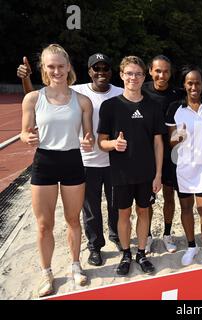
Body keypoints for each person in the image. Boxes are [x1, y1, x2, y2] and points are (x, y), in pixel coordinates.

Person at [17, 53, 124, 267]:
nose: (101, 72)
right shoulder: (80, 91)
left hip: (106, 160)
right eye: (96, 68)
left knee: (110, 207)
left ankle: (113, 240)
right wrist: (25, 79)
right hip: (74, 161)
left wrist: (90, 138)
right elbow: (40, 99)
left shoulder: (117, 93)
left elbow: (139, 95)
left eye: (105, 68)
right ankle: (92, 248)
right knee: (84, 212)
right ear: (89, 71)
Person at [20, 44, 94, 297]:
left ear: (69, 67)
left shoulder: (82, 101)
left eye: (61, 66)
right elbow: (24, 132)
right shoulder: (33, 98)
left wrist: (88, 141)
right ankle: (47, 272)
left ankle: (75, 265)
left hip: (73, 160)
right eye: (51, 66)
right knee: (44, 225)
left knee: (73, 220)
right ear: (44, 68)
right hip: (45, 163)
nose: (56, 71)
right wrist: (26, 138)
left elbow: (89, 136)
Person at [141, 55, 202, 255]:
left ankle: (168, 234)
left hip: (176, 159)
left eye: (166, 71)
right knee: (148, 200)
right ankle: (146, 237)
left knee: (172, 198)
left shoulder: (179, 95)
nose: (162, 75)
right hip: (150, 153)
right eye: (158, 71)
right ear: (150, 71)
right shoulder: (142, 90)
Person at [97, 56, 165, 275]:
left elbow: (158, 142)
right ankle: (126, 253)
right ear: (121, 75)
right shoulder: (110, 106)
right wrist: (113, 144)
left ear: (144, 76)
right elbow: (101, 143)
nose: (133, 78)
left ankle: (142, 253)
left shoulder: (153, 106)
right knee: (123, 215)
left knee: (144, 212)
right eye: (129, 73)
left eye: (137, 74)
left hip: (146, 173)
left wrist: (158, 174)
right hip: (121, 173)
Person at [165, 65, 202, 266]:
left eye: (197, 82)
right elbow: (170, 140)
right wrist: (178, 137)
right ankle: (191, 246)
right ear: (184, 85)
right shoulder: (175, 108)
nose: (194, 86)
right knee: (186, 207)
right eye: (190, 83)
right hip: (183, 167)